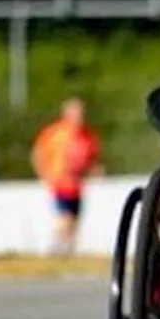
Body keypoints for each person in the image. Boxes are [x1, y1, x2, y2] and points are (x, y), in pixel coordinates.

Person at [30, 98, 102, 256]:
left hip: (77, 186)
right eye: (75, 113)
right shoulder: (55, 133)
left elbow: (92, 159)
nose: (79, 117)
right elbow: (38, 153)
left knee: (74, 221)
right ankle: (55, 248)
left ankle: (66, 251)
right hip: (60, 183)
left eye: (81, 113)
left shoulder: (87, 136)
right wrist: (45, 174)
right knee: (66, 218)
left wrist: (93, 170)